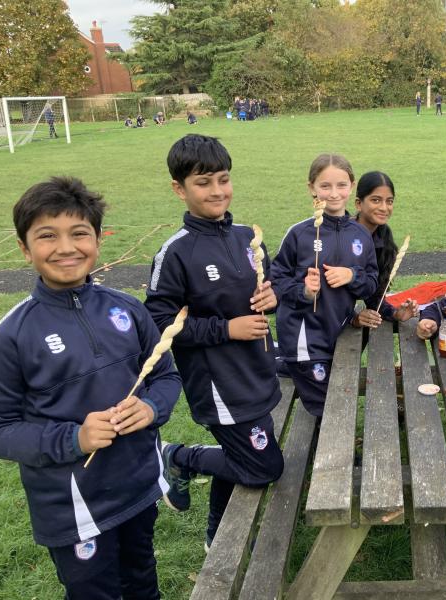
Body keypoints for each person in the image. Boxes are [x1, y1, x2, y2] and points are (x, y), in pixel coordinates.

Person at [0, 177, 181, 599]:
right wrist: (74, 439)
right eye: (47, 236)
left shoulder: (127, 309)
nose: (66, 248)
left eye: (79, 233)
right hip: (74, 510)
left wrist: (151, 408)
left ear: (98, 240)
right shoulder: (14, 334)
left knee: (142, 581)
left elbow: (166, 376)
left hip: (139, 487)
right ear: (24, 247)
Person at [144, 134, 285, 551]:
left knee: (243, 455)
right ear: (180, 189)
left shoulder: (247, 237)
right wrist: (227, 329)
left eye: (223, 179)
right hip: (219, 384)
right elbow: (158, 323)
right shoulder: (175, 253)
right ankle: (178, 456)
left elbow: (269, 286)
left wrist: (272, 297)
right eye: (203, 183)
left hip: (256, 370)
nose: (217, 191)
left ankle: (216, 537)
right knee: (263, 468)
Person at [270, 153, 378, 416]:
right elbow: (276, 281)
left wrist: (352, 276)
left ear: (352, 186)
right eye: (325, 186)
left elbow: (371, 283)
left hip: (337, 331)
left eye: (341, 185)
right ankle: (286, 361)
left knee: (335, 390)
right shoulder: (299, 234)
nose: (334, 193)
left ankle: (281, 362)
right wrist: (304, 291)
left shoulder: (361, 235)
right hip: (305, 338)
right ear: (312, 188)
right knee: (328, 408)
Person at [350, 171, 417, 329]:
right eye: (376, 200)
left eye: (389, 201)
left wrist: (395, 314)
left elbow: (375, 297)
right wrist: (352, 318)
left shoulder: (383, 237)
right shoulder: (341, 236)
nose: (384, 208)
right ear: (359, 204)